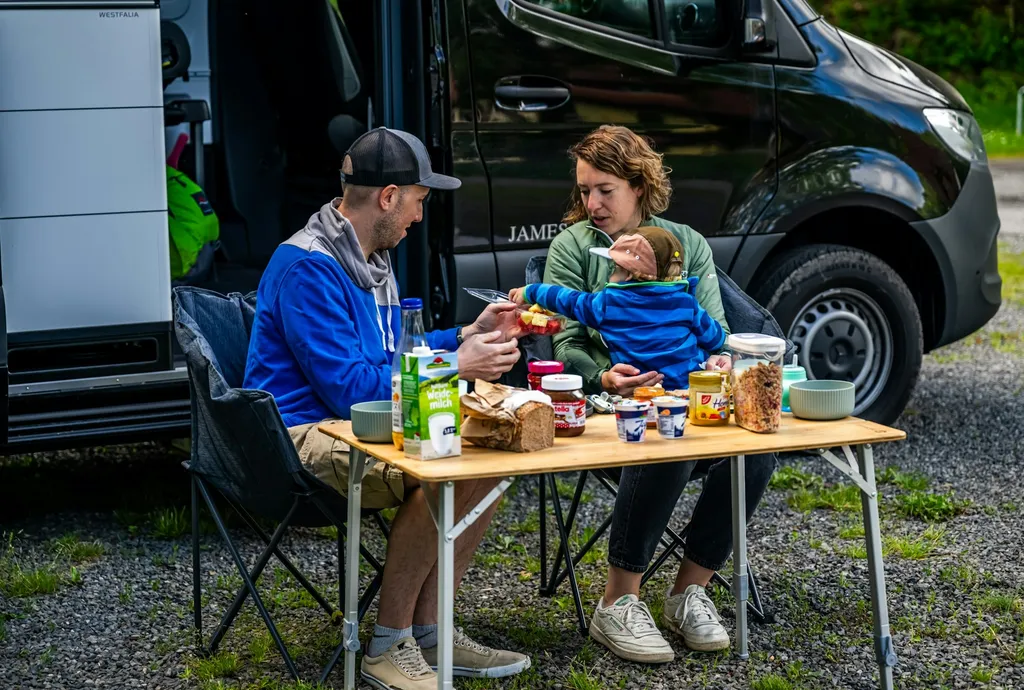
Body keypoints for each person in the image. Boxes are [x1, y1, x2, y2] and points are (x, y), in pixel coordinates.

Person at [244, 127, 530, 689]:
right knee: (438, 470)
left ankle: (431, 633)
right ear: (389, 196)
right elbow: (350, 390)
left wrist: (466, 333)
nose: (420, 218)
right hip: (302, 434)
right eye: (419, 202)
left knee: (492, 460)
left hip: (362, 423)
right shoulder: (310, 266)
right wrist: (459, 366)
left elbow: (392, 359)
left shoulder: (368, 254)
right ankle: (387, 645)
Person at [542, 124, 777, 663]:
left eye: (605, 189)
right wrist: (604, 375)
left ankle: (688, 591)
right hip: (611, 410)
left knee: (757, 454)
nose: (592, 203)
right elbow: (567, 340)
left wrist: (720, 360)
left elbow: (712, 326)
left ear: (639, 185)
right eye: (584, 190)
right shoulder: (573, 247)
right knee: (665, 437)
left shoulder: (685, 243)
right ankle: (617, 603)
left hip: (689, 398)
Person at [509, 225, 726, 390]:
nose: (610, 274)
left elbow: (567, 299)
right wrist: (718, 351)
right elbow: (715, 338)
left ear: (629, 275)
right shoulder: (687, 304)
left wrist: (531, 291)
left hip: (638, 389)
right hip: (687, 389)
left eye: (614, 268)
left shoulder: (608, 304)